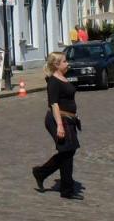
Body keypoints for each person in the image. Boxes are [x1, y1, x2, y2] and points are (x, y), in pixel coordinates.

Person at [32, 51, 83, 200]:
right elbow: (54, 104)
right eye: (65, 62)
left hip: (69, 119)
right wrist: (59, 126)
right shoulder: (53, 81)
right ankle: (66, 190)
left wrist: (74, 116)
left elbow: (67, 100)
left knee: (68, 151)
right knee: (67, 150)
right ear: (56, 65)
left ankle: (41, 173)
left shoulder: (63, 77)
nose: (68, 64)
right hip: (57, 119)